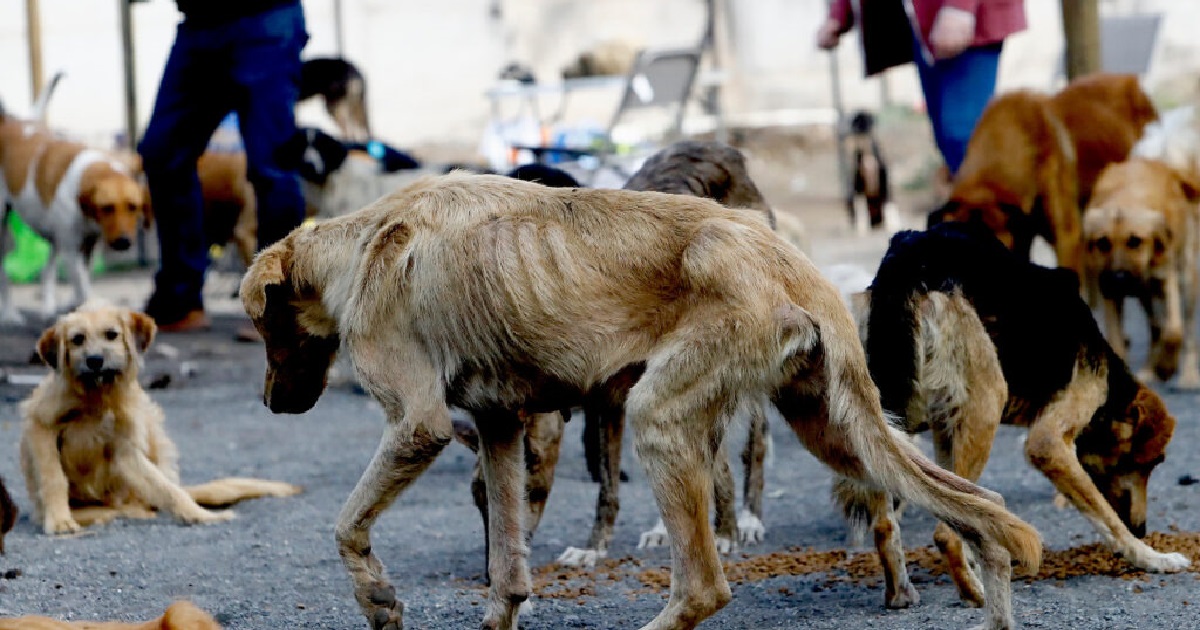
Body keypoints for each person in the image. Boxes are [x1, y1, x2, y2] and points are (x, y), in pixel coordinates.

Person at [139, 0, 309, 336]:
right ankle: (181, 299)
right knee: (163, 151)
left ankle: (279, 307)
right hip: (200, 24)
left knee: (271, 165)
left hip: (265, 18)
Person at [817, 0, 1026, 175]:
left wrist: (960, 6)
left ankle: (1003, 217)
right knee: (947, 138)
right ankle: (981, 217)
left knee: (962, 134)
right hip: (924, 20)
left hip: (967, 15)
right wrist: (840, 11)